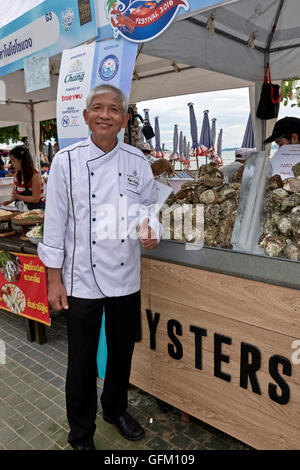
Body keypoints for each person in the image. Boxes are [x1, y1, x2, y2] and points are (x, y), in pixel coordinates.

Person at [37, 84, 161, 451]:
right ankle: (81, 434)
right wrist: (53, 280)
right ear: (86, 115)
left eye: (113, 109)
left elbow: (151, 209)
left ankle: (115, 409)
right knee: (81, 362)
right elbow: (55, 223)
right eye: (98, 108)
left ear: (124, 119)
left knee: (122, 353)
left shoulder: (138, 162)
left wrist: (152, 230)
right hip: (80, 281)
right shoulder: (67, 161)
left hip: (125, 277)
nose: (105, 114)